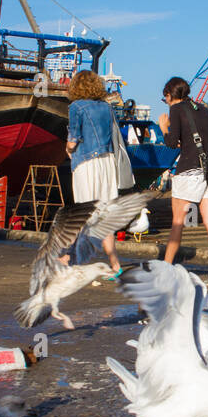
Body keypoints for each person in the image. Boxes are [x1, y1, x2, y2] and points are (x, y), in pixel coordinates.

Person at [158, 76, 208, 286]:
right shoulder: (203, 109)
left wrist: (163, 127)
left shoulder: (176, 110)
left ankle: (166, 270)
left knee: (178, 223)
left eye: (165, 98)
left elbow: (171, 143)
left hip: (188, 172)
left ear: (170, 95)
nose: (167, 102)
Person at [65, 70, 127, 275]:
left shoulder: (76, 107)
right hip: (107, 163)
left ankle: (73, 260)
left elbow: (73, 140)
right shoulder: (107, 108)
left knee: (82, 214)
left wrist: (67, 149)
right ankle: (116, 265)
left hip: (86, 164)